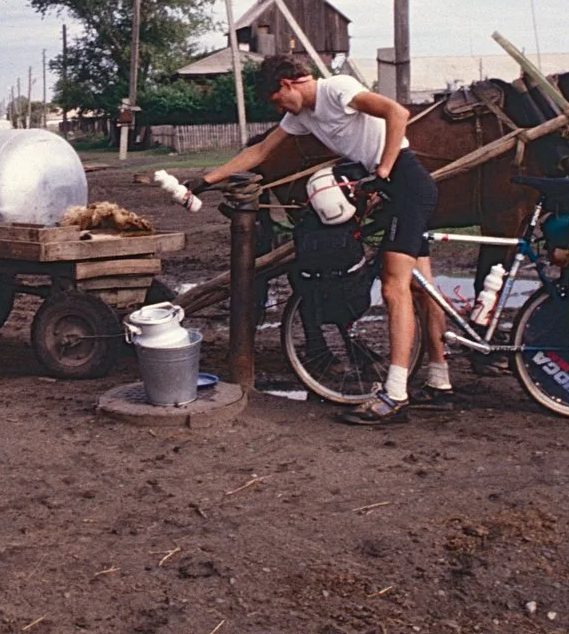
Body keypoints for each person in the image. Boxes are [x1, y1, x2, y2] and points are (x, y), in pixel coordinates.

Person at [187, 54, 449, 424]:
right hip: (394, 191)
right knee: (424, 288)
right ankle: (440, 381)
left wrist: (383, 170)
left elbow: (396, 113)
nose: (279, 107)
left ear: (289, 83)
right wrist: (207, 180)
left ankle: (394, 395)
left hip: (406, 184)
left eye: (277, 99)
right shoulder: (301, 116)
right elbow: (260, 151)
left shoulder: (337, 89)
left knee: (394, 288)